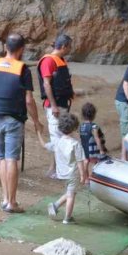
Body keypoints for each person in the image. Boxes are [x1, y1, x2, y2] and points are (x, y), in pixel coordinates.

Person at [0, 33, 45, 213]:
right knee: (11, 159)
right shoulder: (22, 69)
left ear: (5, 48)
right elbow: (28, 100)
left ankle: (4, 199)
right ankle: (12, 202)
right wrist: (36, 121)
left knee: (2, 158)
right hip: (13, 119)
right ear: (22, 49)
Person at [38, 34, 75, 178]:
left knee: (60, 137)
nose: (70, 49)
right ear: (64, 46)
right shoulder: (48, 61)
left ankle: (55, 168)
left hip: (62, 103)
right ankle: (58, 170)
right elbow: (46, 84)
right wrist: (53, 105)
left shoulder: (60, 60)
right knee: (57, 138)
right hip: (55, 105)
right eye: (69, 46)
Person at [45, 113, 88, 224]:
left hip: (62, 173)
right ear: (74, 128)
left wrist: (40, 134)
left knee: (70, 193)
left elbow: (49, 148)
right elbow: (79, 161)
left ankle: (55, 206)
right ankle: (67, 218)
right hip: (72, 174)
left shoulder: (58, 142)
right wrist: (83, 175)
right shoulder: (75, 144)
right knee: (71, 196)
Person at [78, 102, 108, 167]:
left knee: (86, 161)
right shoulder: (94, 126)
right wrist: (101, 150)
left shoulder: (81, 126)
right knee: (97, 163)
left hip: (84, 150)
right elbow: (97, 139)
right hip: (93, 151)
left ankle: (85, 176)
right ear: (94, 115)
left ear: (82, 114)